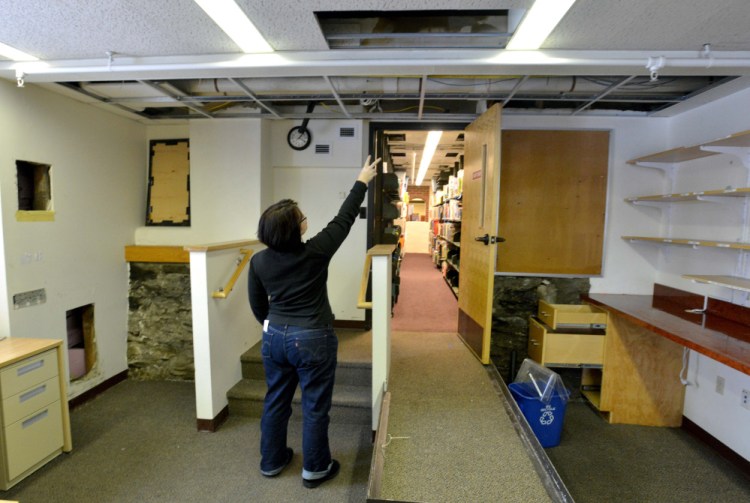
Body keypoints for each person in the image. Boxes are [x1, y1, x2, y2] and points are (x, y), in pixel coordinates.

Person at [247, 155, 380, 488]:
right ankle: (316, 468)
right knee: (315, 405)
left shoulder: (259, 261)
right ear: (296, 229)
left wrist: (275, 326)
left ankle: (272, 461)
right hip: (313, 338)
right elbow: (344, 218)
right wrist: (362, 180)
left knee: (275, 400)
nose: (306, 219)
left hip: (274, 337)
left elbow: (257, 305)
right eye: (302, 217)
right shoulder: (316, 252)